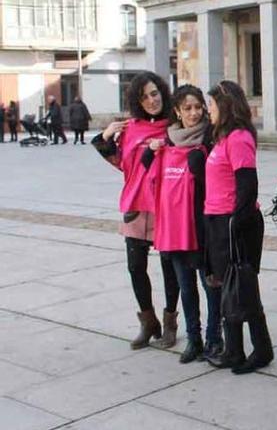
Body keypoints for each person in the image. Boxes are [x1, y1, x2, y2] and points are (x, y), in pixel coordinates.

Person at [92, 72, 180, 350]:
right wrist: (105, 137)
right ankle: (148, 322)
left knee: (170, 268)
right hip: (135, 206)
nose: (151, 100)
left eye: (154, 94)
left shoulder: (174, 127)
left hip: (166, 206)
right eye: (144, 97)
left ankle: (170, 322)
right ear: (136, 101)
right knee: (135, 266)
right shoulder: (130, 129)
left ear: (163, 93)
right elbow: (121, 163)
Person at [142, 84, 223, 364]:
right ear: (177, 110)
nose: (194, 113)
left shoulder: (212, 137)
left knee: (211, 286)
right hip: (175, 229)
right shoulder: (168, 141)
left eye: (198, 107)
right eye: (187, 108)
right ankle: (194, 339)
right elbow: (145, 168)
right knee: (186, 289)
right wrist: (152, 151)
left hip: (203, 227)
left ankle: (215, 338)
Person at [203, 80, 273, 375]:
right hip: (218, 220)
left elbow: (248, 186)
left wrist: (234, 223)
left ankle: (261, 349)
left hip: (236, 224)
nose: (208, 112)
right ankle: (234, 349)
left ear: (226, 105)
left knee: (242, 285)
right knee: (225, 284)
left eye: (211, 106)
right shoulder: (222, 137)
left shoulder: (239, 137)